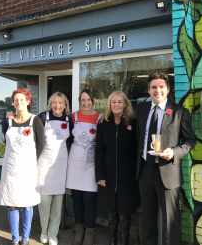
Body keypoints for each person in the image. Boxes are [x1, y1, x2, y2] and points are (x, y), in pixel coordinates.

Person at [136, 72, 196, 245]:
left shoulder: (179, 112)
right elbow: (139, 138)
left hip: (168, 171)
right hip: (145, 170)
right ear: (148, 90)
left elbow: (190, 141)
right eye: (154, 87)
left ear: (168, 89)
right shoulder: (141, 110)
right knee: (147, 215)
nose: (157, 90)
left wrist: (174, 152)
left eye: (161, 86)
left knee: (171, 219)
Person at [0, 88, 44, 245]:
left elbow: (40, 145)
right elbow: (6, 142)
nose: (19, 102)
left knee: (27, 202)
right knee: (12, 203)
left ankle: (25, 238)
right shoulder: (7, 122)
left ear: (28, 101)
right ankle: (14, 239)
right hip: (10, 168)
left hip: (28, 169)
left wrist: (32, 162)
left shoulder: (35, 121)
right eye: (16, 100)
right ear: (13, 103)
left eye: (22, 99)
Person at [95, 91, 140, 245]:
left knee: (125, 214)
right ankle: (112, 242)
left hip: (127, 175)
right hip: (107, 173)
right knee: (111, 213)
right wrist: (99, 174)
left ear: (125, 104)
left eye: (119, 102)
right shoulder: (103, 122)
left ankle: (124, 242)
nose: (116, 105)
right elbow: (98, 150)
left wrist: (136, 174)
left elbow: (136, 150)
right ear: (109, 105)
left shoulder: (133, 123)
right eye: (113, 102)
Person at [66, 89, 102, 245]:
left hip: (91, 161)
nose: (85, 103)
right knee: (77, 199)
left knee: (89, 199)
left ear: (93, 100)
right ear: (79, 101)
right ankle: (79, 229)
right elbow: (66, 137)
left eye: (88, 99)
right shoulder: (73, 116)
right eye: (82, 100)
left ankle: (90, 231)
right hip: (75, 161)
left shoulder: (100, 118)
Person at [37, 92, 74, 245]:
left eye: (61, 103)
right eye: (54, 102)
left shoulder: (68, 121)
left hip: (60, 165)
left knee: (58, 204)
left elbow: (72, 140)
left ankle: (53, 234)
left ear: (65, 105)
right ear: (50, 104)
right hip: (44, 164)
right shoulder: (42, 117)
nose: (57, 106)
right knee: (44, 203)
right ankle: (44, 231)